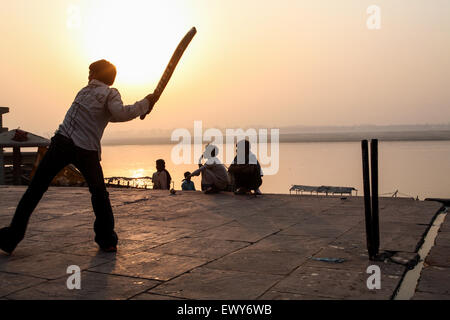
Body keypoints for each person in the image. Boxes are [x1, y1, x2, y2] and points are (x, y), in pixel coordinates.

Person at [0, 59, 159, 254]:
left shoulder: (85, 92)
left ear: (95, 74)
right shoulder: (109, 93)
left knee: (35, 189)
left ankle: (11, 238)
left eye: (90, 71)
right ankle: (107, 240)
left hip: (61, 143)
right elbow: (120, 114)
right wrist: (145, 104)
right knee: (99, 195)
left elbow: (115, 114)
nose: (89, 75)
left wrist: (144, 105)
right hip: (85, 150)